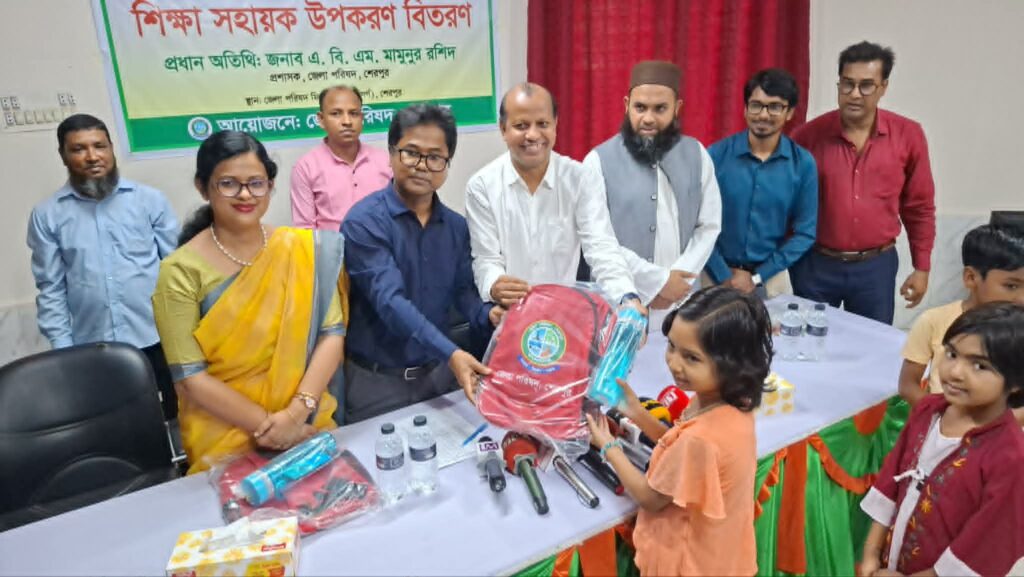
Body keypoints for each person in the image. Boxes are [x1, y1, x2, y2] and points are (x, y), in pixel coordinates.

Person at [152, 131, 346, 474]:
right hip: (225, 440)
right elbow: (190, 377)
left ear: (270, 186)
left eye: (256, 183)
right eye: (228, 184)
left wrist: (296, 414)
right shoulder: (180, 271)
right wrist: (273, 428)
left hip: (308, 424)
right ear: (203, 187)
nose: (245, 194)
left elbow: (332, 333)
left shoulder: (302, 250)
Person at [585, 286, 771, 576]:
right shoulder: (727, 402)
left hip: (690, 565)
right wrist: (637, 412)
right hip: (722, 556)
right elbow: (677, 445)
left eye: (691, 358)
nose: (674, 363)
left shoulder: (701, 439)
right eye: (671, 346)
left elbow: (650, 497)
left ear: (732, 364)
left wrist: (609, 446)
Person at [342, 104, 502, 423]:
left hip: (439, 379)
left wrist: (489, 315)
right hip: (378, 384)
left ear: (447, 163)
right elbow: (390, 302)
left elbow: (463, 293)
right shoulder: (363, 222)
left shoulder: (456, 227)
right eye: (411, 153)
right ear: (391, 153)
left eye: (435, 157)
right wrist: (452, 353)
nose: (422, 166)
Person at [27, 113, 180, 418]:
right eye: (78, 149)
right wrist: (65, 351)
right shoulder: (48, 215)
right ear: (63, 155)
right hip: (92, 349)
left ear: (111, 148)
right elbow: (51, 288)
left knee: (172, 421)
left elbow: (177, 270)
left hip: (158, 340)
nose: (92, 156)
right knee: (111, 425)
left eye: (99, 146)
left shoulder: (149, 201)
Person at [859, 302, 1024, 576]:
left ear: (1017, 381)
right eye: (951, 354)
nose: (955, 372)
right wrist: (871, 553)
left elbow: (986, 546)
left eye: (979, 366)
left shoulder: (1010, 457)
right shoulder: (928, 410)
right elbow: (892, 478)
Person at [791, 41, 935, 324]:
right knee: (811, 345)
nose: (855, 94)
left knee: (873, 345)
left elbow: (919, 206)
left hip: (875, 268)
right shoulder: (807, 137)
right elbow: (785, 203)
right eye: (847, 84)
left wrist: (922, 267)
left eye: (866, 85)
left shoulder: (908, 135)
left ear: (883, 87)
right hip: (815, 266)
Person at [466, 83, 641, 308]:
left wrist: (626, 296)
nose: (532, 135)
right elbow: (486, 259)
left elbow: (601, 246)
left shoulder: (580, 178)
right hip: (509, 315)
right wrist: (494, 284)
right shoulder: (481, 186)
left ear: (555, 124)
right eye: (521, 126)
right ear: (503, 129)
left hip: (564, 315)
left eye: (542, 124)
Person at [583, 61, 722, 308]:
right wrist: (659, 282)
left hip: (682, 298)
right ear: (626, 105)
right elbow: (598, 239)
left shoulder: (697, 154)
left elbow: (708, 226)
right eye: (640, 107)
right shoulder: (597, 161)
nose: (648, 118)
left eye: (660, 109)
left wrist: (679, 281)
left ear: (677, 108)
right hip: (621, 300)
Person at [705, 68, 817, 298]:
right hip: (714, 275)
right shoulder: (715, 156)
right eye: (756, 105)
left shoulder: (803, 164)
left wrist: (758, 276)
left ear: (789, 112)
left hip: (770, 277)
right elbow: (696, 223)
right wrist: (723, 274)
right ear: (745, 109)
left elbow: (805, 233)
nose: (764, 115)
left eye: (775, 106)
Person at [898, 224, 1024, 420]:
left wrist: (992, 427)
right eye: (1011, 286)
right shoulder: (934, 320)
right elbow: (908, 385)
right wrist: (944, 420)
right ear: (971, 278)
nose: (1022, 298)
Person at [291, 85, 391, 230]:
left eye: (354, 113)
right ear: (321, 119)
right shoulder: (306, 168)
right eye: (336, 113)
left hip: (382, 243)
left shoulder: (386, 161)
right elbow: (305, 231)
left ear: (362, 118)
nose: (347, 121)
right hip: (333, 245)